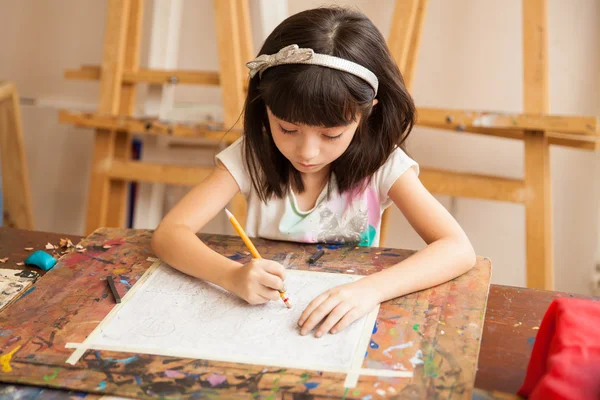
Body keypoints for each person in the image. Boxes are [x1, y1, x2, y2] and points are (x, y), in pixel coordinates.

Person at [152, 7, 475, 338]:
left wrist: (370, 290)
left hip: (343, 326)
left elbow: (457, 249)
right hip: (261, 325)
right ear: (265, 108)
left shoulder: (382, 165)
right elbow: (169, 234)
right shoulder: (253, 156)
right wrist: (231, 276)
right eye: (287, 129)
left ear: (366, 115)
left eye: (331, 135)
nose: (307, 152)